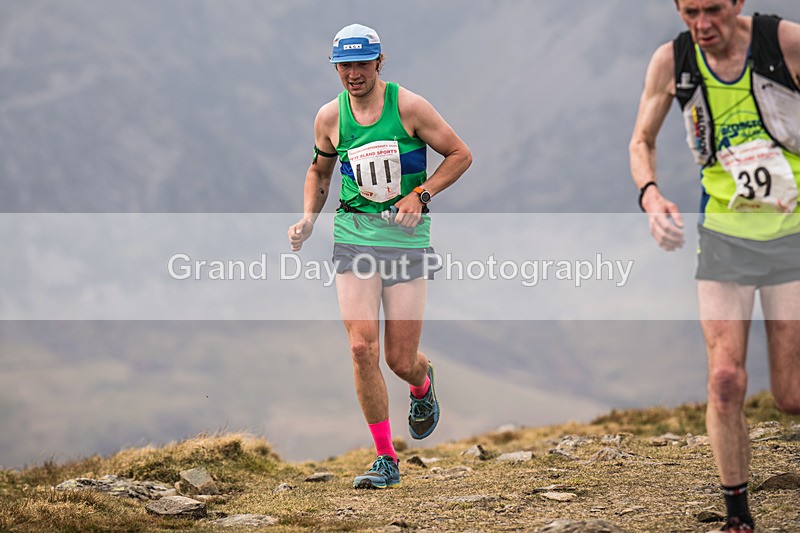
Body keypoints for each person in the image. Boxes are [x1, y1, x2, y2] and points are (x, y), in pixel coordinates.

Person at [629, 1, 800, 530]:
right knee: (725, 379)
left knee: (791, 395)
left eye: (715, 11)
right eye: (691, 12)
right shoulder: (673, 60)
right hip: (725, 235)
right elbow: (642, 140)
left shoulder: (783, 43)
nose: (703, 25)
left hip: (793, 232)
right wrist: (651, 195)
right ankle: (737, 516)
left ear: (738, 4)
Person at [288, 23, 471, 489]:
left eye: (361, 63)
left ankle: (422, 381)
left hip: (405, 240)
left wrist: (421, 195)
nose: (352, 73)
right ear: (335, 67)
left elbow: (459, 154)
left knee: (399, 359)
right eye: (343, 65)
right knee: (360, 346)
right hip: (354, 234)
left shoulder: (408, 107)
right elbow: (319, 171)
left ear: (379, 63)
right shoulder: (330, 118)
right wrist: (309, 217)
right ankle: (386, 459)